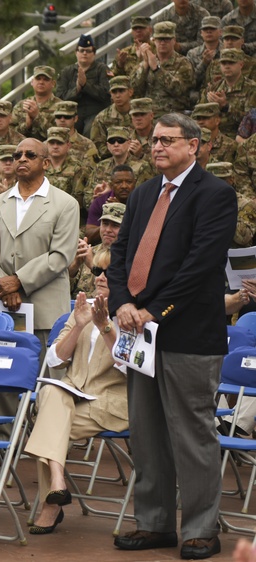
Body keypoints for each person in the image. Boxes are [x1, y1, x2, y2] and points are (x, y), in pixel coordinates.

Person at [108, 113, 237, 560]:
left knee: (191, 434)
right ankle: (154, 523)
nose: (157, 146)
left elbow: (201, 264)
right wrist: (121, 302)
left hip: (187, 333)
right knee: (146, 433)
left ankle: (201, 528)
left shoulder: (216, 194)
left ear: (194, 146)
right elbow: (121, 252)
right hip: (138, 333)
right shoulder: (144, 193)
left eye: (168, 140)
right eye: (154, 140)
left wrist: (152, 310)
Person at [25, 264, 127, 535]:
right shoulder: (82, 308)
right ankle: (57, 484)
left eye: (110, 271)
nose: (102, 277)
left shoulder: (131, 314)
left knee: (48, 424)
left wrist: (106, 327)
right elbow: (54, 360)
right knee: (52, 393)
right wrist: (79, 325)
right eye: (98, 271)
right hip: (70, 395)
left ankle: (52, 505)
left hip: (110, 402)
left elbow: (131, 368)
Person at [0, 138, 80, 350]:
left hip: (45, 310)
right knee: (4, 375)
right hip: (3, 305)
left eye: (30, 155)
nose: (22, 158)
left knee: (45, 379)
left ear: (46, 163)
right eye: (17, 155)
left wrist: (18, 281)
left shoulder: (66, 204)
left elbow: (60, 256)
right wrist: (5, 284)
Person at [131, 22, 194, 115]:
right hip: (149, 115)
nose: (163, 43)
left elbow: (179, 90)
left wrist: (157, 69)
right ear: (154, 41)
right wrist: (145, 64)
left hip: (174, 115)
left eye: (167, 39)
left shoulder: (183, 63)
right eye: (160, 39)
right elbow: (134, 89)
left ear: (174, 40)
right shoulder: (148, 61)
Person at [56, 34, 112, 135]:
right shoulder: (67, 72)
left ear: (94, 53)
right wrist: (77, 89)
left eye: (88, 51)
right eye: (82, 50)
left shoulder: (102, 69)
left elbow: (106, 95)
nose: (85, 53)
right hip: (73, 114)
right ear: (76, 53)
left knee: (90, 130)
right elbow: (60, 97)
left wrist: (86, 85)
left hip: (96, 112)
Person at [72, 202, 126, 297]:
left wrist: (93, 266)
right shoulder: (87, 251)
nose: (108, 230)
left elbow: (121, 294)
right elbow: (63, 292)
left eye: (115, 225)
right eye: (105, 224)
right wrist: (74, 266)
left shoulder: (130, 257)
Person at [201, 48, 256, 137]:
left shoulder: (252, 88)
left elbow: (252, 122)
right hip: (212, 135)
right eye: (223, 63)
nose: (227, 66)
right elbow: (198, 115)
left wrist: (226, 107)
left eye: (231, 63)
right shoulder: (213, 88)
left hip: (239, 137)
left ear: (241, 64)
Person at [11, 66, 63, 141]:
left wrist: (37, 116)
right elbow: (10, 134)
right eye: (38, 79)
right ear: (32, 82)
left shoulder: (61, 107)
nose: (41, 82)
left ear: (53, 83)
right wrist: (27, 125)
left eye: (46, 79)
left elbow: (61, 135)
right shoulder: (21, 105)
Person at [85, 166, 136, 243]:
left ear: (135, 182)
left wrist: (120, 210)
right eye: (118, 182)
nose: (124, 186)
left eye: (129, 182)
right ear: (111, 185)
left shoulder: (142, 200)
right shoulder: (100, 201)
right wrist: (108, 223)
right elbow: (89, 234)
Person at [89, 76, 135, 158]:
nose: (117, 95)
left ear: (130, 92)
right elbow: (97, 145)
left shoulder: (140, 114)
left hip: (137, 157)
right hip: (112, 159)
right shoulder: (102, 118)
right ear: (110, 94)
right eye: (114, 92)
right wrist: (118, 152)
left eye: (121, 91)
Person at [188, 17, 224, 89]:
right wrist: (204, 63)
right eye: (205, 29)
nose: (208, 31)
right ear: (201, 33)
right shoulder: (192, 54)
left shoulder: (227, 52)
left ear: (220, 32)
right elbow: (190, 82)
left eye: (212, 29)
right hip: (200, 93)